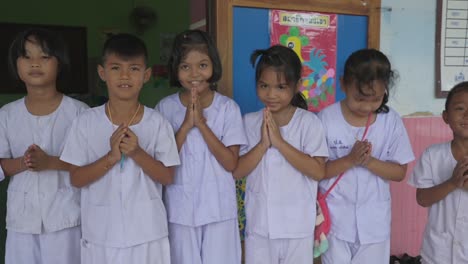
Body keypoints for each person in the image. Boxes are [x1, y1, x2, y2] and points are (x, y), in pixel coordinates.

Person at [60, 33, 180, 264]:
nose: (125, 76)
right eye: (116, 68)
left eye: (134, 69)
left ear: (146, 75)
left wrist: (137, 153)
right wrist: (111, 157)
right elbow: (76, 178)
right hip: (100, 235)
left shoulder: (157, 123)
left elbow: (167, 176)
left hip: (148, 235)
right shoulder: (85, 122)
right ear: (102, 73)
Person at [155, 29, 247, 264]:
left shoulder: (228, 109)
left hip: (219, 210)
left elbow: (231, 163)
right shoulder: (164, 109)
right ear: (175, 69)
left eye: (202, 65)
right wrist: (186, 126)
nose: (194, 73)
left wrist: (202, 125)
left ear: (213, 66)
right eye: (185, 67)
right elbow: (161, 165)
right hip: (179, 211)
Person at [232, 45, 328, 264]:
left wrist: (279, 143)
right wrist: (263, 144)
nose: (271, 94)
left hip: (297, 228)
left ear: (297, 86)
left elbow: (318, 171)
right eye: (264, 85)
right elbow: (238, 171)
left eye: (281, 87)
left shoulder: (308, 123)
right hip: (259, 227)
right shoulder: (249, 121)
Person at [0, 28, 89, 264]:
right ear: (15, 65)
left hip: (68, 219)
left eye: (44, 56)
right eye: (26, 56)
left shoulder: (80, 113)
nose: (35, 63)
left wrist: (51, 162)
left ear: (60, 63)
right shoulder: (7, 115)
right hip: (22, 222)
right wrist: (23, 162)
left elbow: (93, 166)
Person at [317, 48, 414, 263]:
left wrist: (368, 161)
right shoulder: (326, 119)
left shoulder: (391, 121)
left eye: (376, 99)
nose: (367, 106)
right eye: (359, 98)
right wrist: (350, 160)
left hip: (374, 225)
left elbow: (399, 172)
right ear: (343, 84)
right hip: (335, 223)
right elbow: (317, 171)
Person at [408, 82, 468, 263]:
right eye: (460, 108)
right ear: (446, 116)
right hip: (437, 254)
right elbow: (422, 199)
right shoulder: (432, 155)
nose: (467, 115)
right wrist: (452, 182)